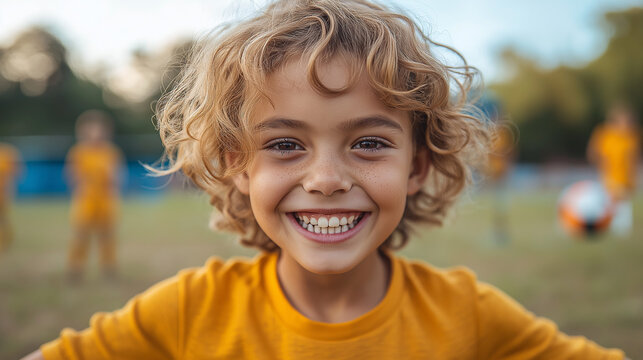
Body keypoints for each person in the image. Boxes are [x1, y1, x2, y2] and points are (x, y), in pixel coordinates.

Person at [25, 0, 626, 358]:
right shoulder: (188, 312)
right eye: (285, 144)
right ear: (238, 163)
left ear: (417, 165)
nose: (328, 178)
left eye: (368, 143)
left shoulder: (467, 315)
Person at [64, 110, 123, 281]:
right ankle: (76, 267)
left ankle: (108, 266)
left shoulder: (110, 152)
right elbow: (71, 176)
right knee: (81, 235)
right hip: (86, 200)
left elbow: (117, 176)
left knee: (107, 235)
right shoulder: (78, 152)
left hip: (106, 200)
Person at [587, 104, 640, 237]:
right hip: (609, 174)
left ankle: (619, 228)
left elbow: (635, 157)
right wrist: (600, 164)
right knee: (611, 201)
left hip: (626, 176)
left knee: (621, 202)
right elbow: (593, 152)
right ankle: (609, 225)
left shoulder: (632, 136)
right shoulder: (604, 134)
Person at [0, 142, 21, 252]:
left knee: (3, 217)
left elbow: (15, 173)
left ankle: (6, 239)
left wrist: (11, 189)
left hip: (3, 193)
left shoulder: (7, 153)